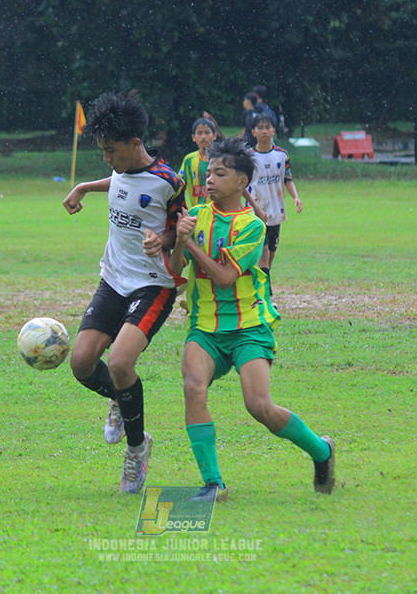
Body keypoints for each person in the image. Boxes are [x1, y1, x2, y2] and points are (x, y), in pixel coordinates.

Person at [169, 137, 335, 500]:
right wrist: (179, 241)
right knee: (193, 388)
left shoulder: (252, 227)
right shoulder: (197, 216)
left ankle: (322, 451)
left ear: (243, 182)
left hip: (248, 328)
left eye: (220, 173)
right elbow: (175, 269)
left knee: (259, 406)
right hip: (204, 327)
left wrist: (191, 243)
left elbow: (226, 277)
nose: (209, 179)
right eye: (209, 173)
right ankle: (214, 483)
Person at [61, 90, 185, 494]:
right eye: (101, 151)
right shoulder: (118, 169)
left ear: (136, 144)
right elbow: (117, 181)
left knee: (118, 363)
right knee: (81, 363)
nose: (106, 159)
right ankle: (119, 397)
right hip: (113, 278)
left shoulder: (170, 182)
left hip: (153, 285)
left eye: (111, 151)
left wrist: (163, 240)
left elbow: (184, 229)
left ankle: (137, 451)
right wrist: (83, 186)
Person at [249, 113, 302, 299]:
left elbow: (288, 179)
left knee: (270, 256)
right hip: (256, 213)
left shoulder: (281, 154)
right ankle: (266, 296)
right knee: (262, 254)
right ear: (253, 132)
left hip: (276, 211)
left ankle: (259, 286)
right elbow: (242, 185)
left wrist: (295, 197)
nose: (264, 131)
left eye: (267, 127)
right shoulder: (249, 157)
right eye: (260, 128)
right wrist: (253, 207)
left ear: (273, 130)